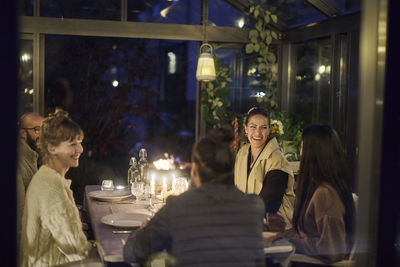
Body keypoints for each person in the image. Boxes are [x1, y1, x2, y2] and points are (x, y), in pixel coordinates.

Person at [123, 127, 266, 267]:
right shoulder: (255, 205)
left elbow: (131, 253)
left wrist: (144, 230)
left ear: (195, 170)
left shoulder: (178, 206)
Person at [20, 108, 92, 267]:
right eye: (73, 144)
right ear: (52, 148)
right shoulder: (51, 185)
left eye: (79, 143)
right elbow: (74, 249)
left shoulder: (48, 176)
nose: (80, 150)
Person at [289, 124, 355, 264]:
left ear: (312, 154)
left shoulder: (325, 195)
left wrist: (293, 242)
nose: (300, 154)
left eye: (302, 148)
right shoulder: (322, 188)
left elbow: (332, 250)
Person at [234, 107, 295, 230]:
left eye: (263, 127)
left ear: (269, 130)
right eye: (253, 127)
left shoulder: (277, 160)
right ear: (245, 128)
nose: (257, 133)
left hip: (274, 228)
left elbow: (269, 204)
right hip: (248, 224)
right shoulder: (242, 152)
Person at [16, 112, 43, 251]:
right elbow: (18, 221)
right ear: (22, 133)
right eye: (37, 130)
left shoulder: (32, 158)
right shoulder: (18, 165)